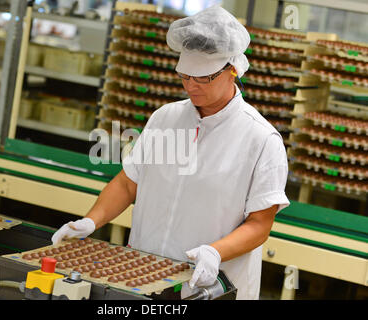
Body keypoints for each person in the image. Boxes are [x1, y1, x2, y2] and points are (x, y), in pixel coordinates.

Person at [51, 5, 290, 300]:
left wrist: (214, 253)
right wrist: (91, 221)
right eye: (185, 77)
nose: (192, 86)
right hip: (142, 278)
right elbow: (128, 183)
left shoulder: (261, 139)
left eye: (204, 78)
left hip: (209, 288)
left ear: (232, 71)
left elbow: (259, 224)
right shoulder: (165, 118)